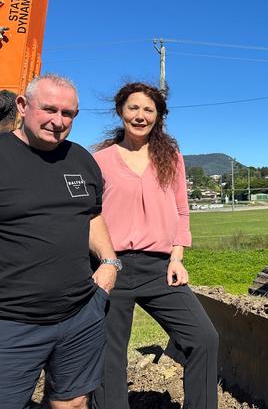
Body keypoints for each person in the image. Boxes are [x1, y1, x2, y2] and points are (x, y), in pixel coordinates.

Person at [92, 82, 219, 409]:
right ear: (121, 111)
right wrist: (104, 261)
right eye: (133, 108)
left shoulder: (171, 158)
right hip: (112, 266)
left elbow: (181, 210)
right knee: (109, 356)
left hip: (159, 269)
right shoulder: (101, 160)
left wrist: (177, 257)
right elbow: (89, 216)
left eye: (149, 110)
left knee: (204, 338)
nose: (140, 115)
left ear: (158, 116)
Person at [0, 74, 118, 409]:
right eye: (49, 109)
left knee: (74, 402)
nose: (58, 121)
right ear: (23, 106)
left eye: (68, 114)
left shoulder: (80, 159)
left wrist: (109, 262)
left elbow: (92, 215)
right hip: (11, 320)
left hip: (80, 314)